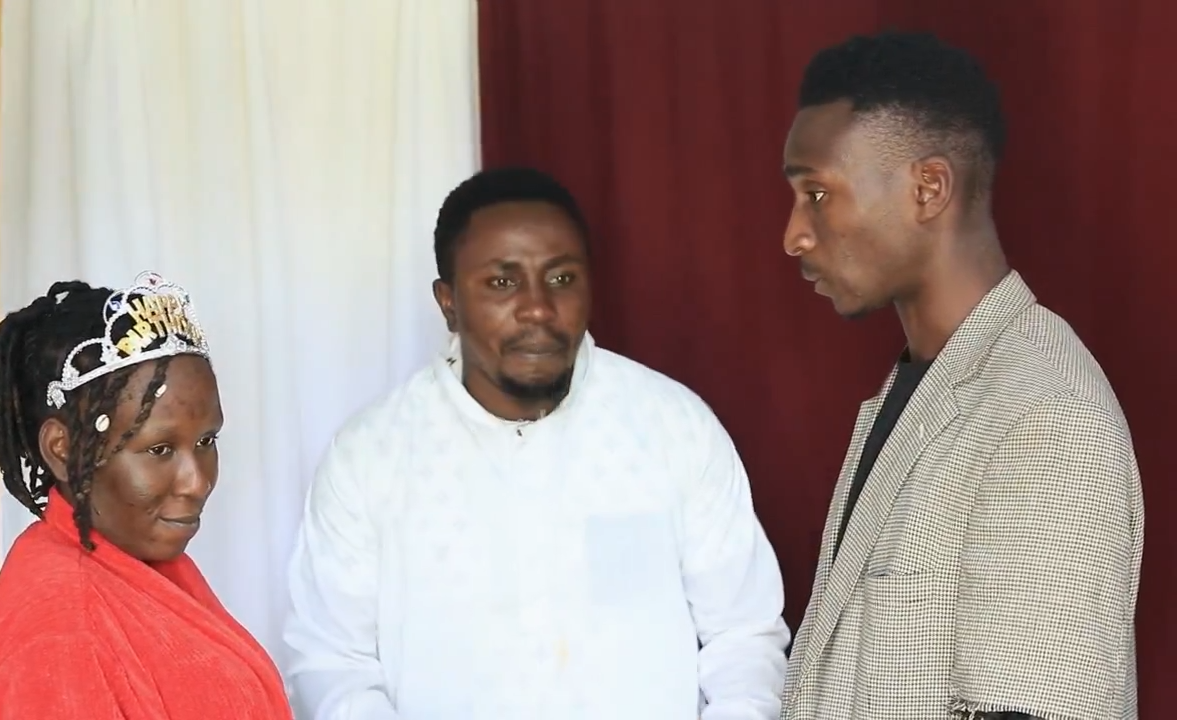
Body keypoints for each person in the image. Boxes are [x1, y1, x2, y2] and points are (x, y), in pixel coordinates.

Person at [283, 167, 790, 719]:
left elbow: (743, 637)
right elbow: (334, 662)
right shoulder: (369, 457)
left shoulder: (673, 427)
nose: (538, 309)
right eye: (502, 283)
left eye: (561, 278)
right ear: (448, 302)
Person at [778, 31, 1144, 720]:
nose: (794, 234)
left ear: (929, 189)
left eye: (817, 193)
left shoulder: (1045, 416)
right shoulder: (919, 390)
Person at [0, 271, 293, 720]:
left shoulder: (132, 561)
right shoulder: (60, 630)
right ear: (63, 450)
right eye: (160, 450)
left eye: (206, 441)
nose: (197, 482)